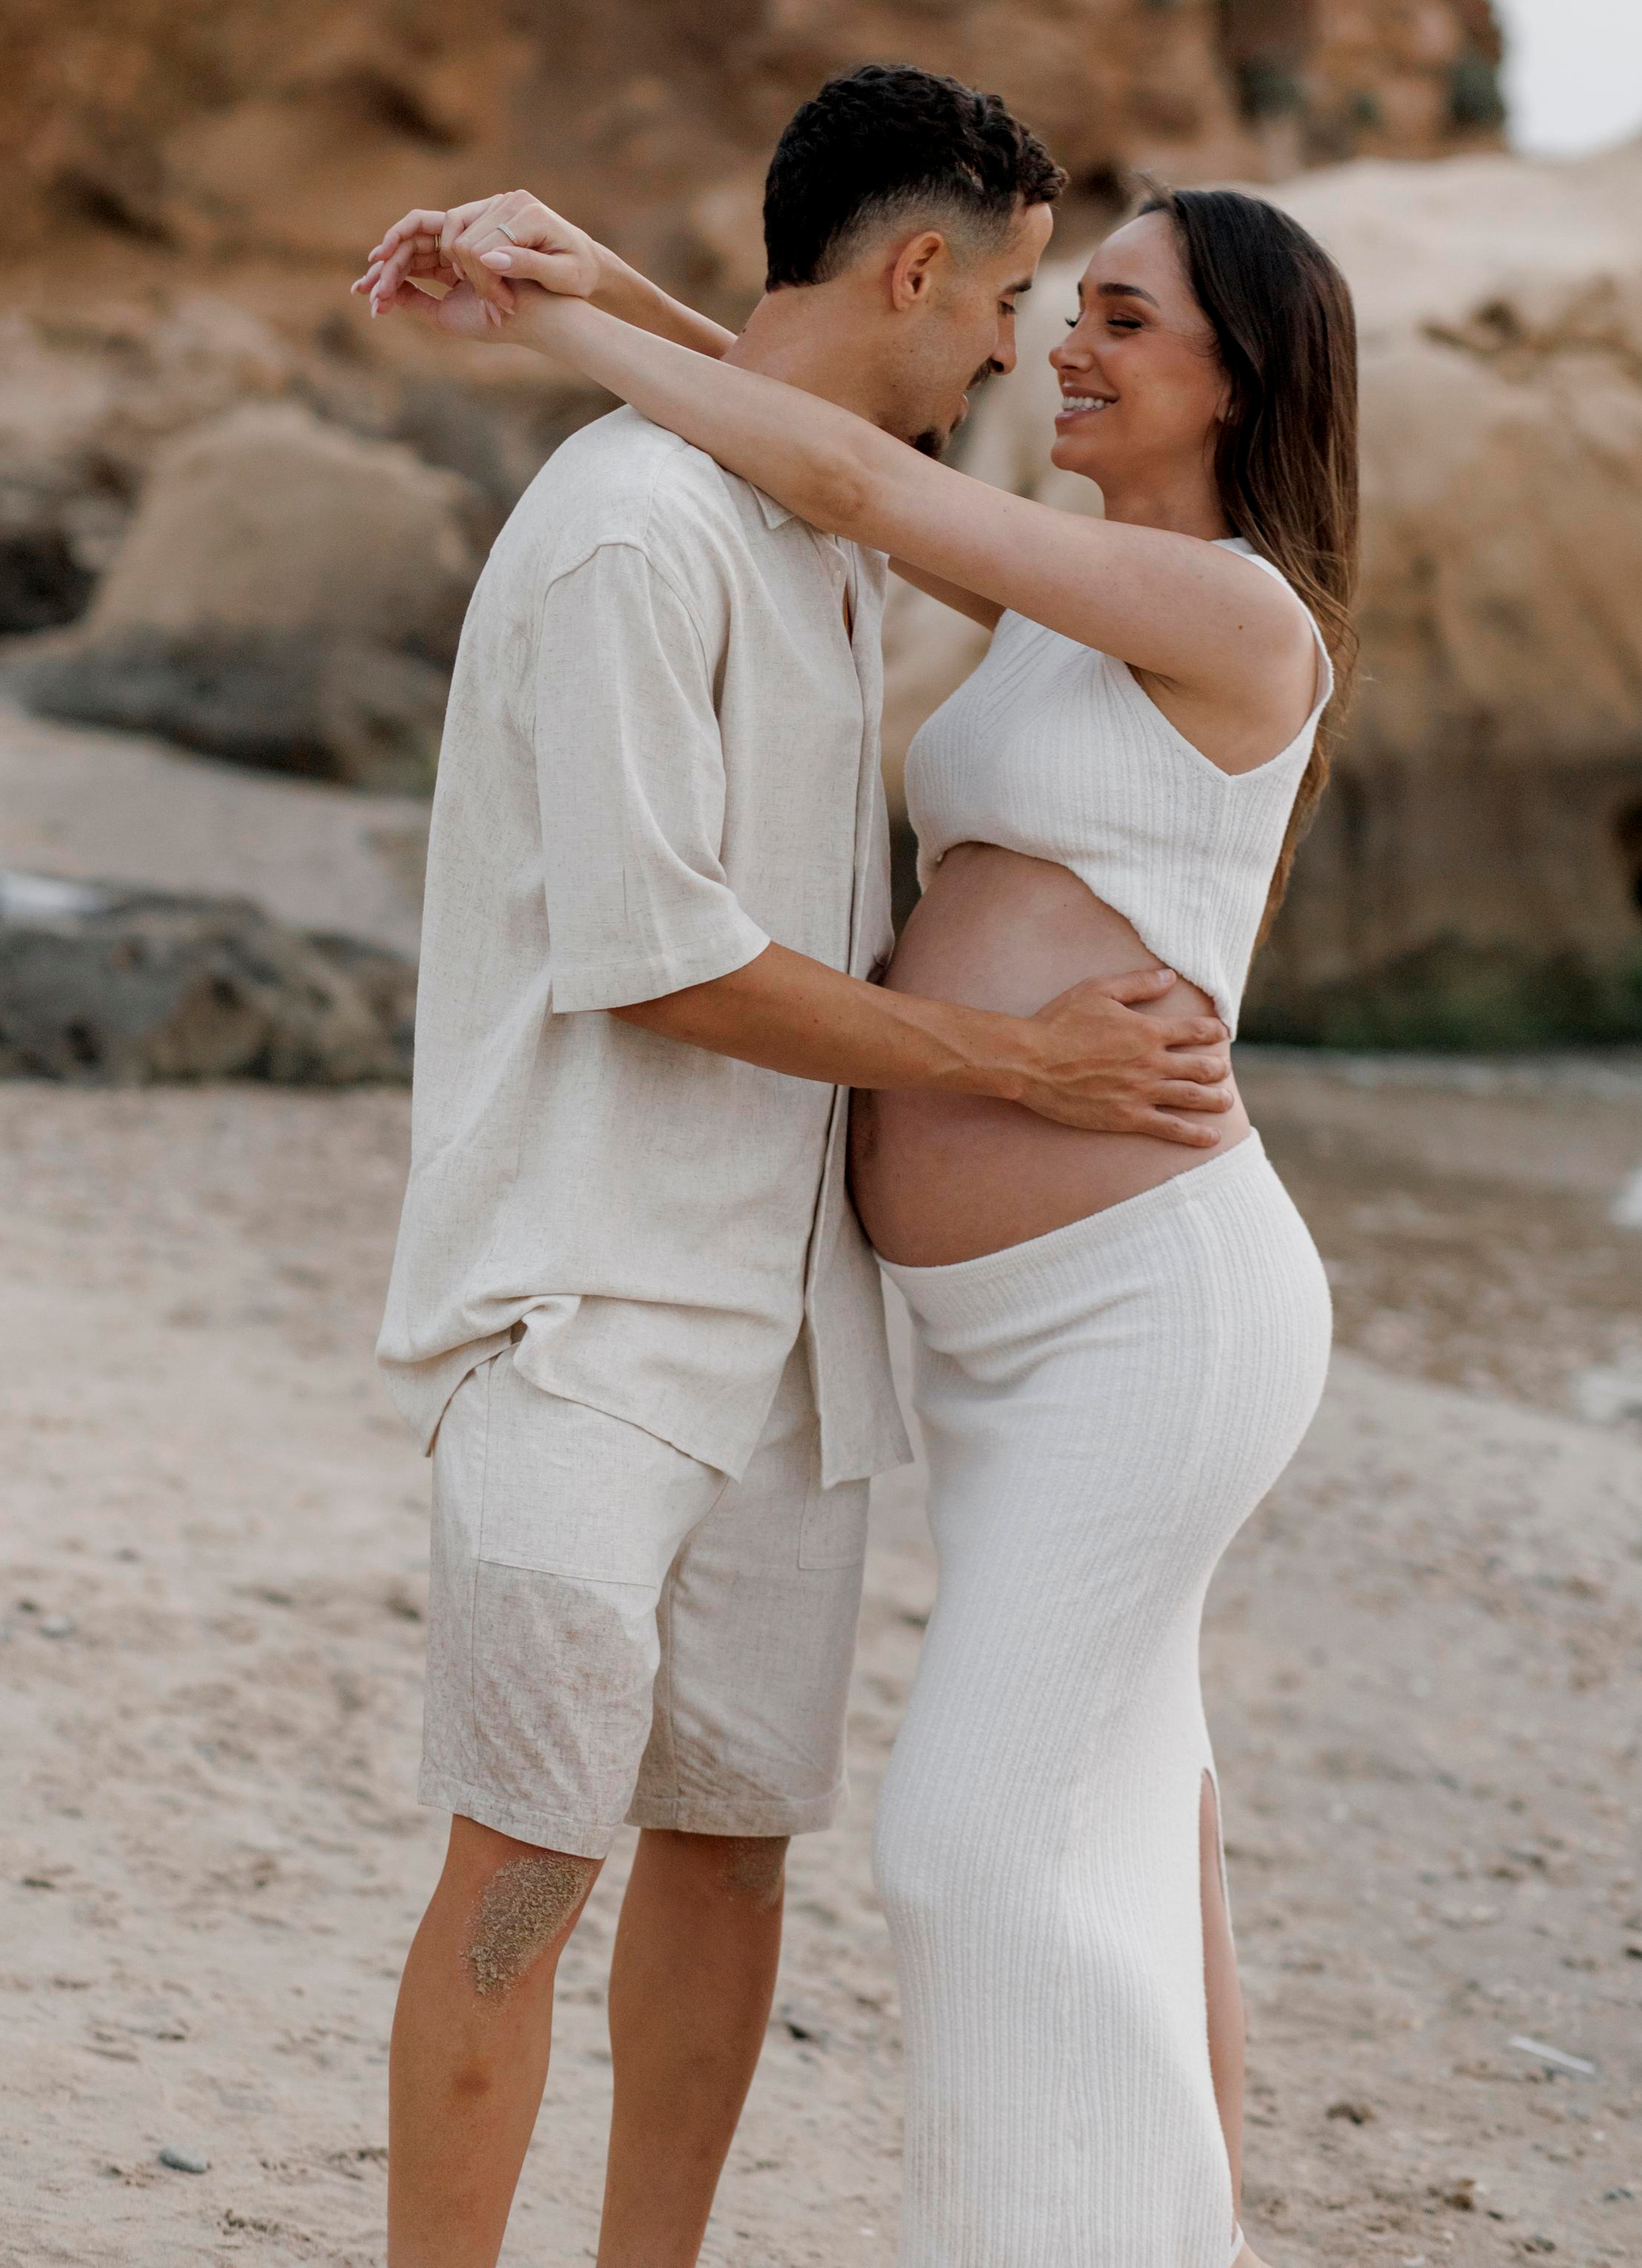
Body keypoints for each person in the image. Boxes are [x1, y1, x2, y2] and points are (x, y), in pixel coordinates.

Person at [368, 108, 1356, 2268]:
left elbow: (850, 468)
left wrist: (560, 310)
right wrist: (607, 297)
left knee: (977, 1840)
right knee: (1124, 1815)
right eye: (1040, 301)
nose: (1048, 352)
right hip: (946, 1332)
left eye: (1113, 317)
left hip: (1135, 1307)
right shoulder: (1037, 600)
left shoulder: (1217, 605)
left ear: (1245, 378)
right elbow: (831, 443)